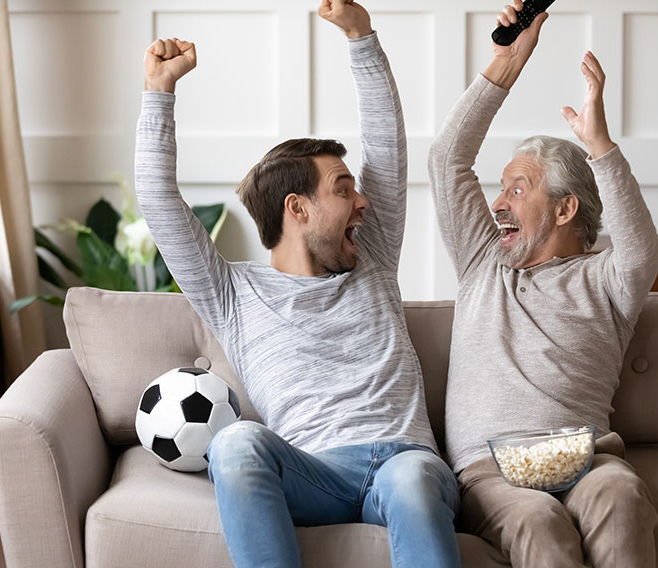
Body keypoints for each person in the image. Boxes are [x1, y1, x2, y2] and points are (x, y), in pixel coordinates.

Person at [134, 1, 460, 566]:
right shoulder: (232, 294)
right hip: (316, 474)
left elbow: (387, 142)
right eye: (342, 188)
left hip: (408, 464)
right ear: (297, 209)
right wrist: (159, 93)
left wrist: (361, 36)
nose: (362, 201)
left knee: (409, 479)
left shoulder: (373, 258)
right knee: (234, 443)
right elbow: (159, 202)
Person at [429, 2, 658, 566]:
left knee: (622, 492)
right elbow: (446, 159)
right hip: (492, 471)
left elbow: (642, 249)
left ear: (564, 210)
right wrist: (506, 65)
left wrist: (600, 147)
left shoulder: (606, 279)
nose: (496, 202)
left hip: (585, 459)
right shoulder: (483, 260)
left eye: (516, 189)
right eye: (501, 187)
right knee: (538, 521)